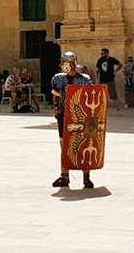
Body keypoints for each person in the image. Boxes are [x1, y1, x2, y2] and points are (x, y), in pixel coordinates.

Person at [49, 51, 95, 189]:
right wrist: (55, 107)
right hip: (63, 116)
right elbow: (55, 95)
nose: (66, 66)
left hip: (81, 118)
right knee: (64, 146)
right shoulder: (58, 78)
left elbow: (91, 96)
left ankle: (86, 177)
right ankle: (64, 175)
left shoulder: (85, 79)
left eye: (68, 63)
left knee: (84, 145)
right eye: (64, 63)